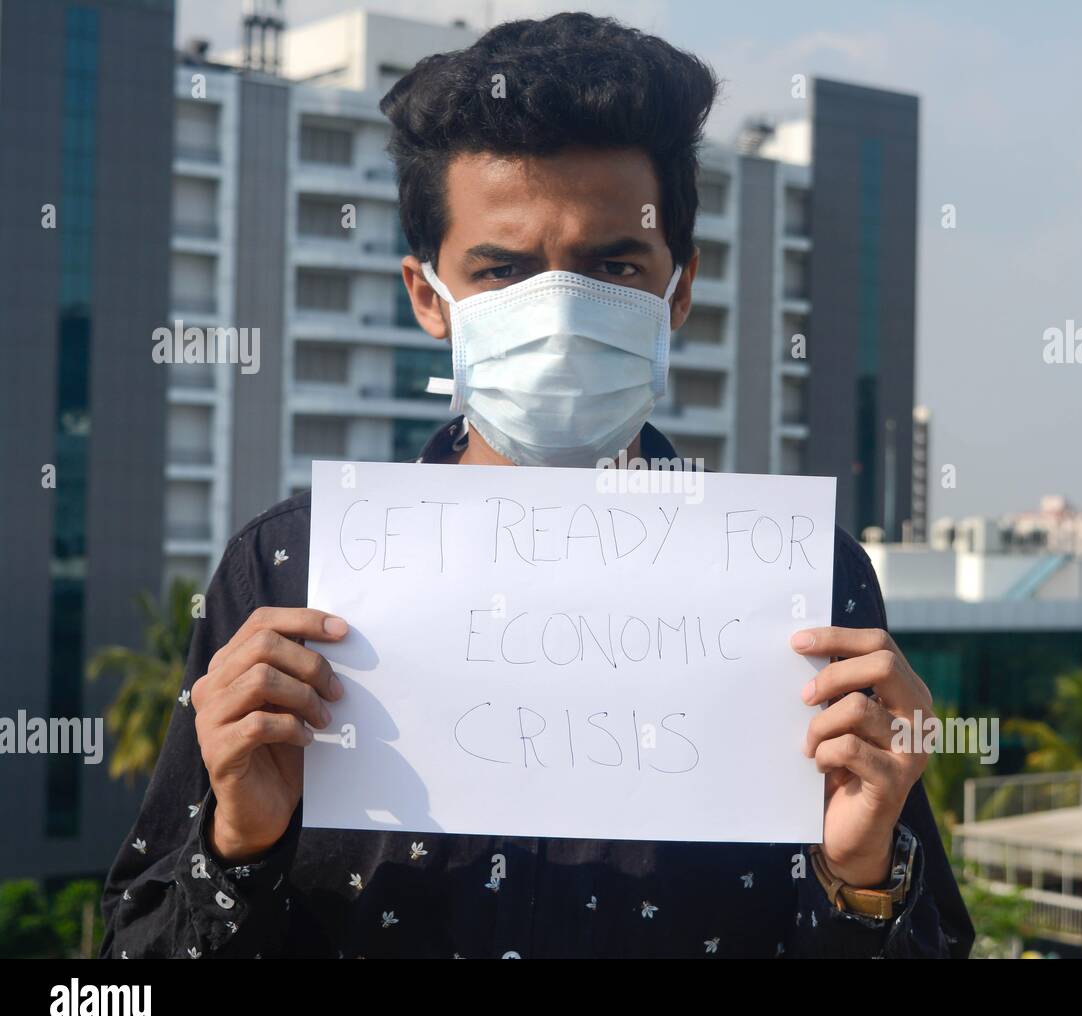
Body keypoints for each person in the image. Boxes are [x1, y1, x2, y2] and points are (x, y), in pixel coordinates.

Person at [101, 12, 973, 959]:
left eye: (612, 266)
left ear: (677, 291)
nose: (558, 314)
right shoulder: (288, 572)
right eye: (504, 271)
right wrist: (238, 846)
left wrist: (862, 880)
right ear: (428, 297)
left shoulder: (807, 587)